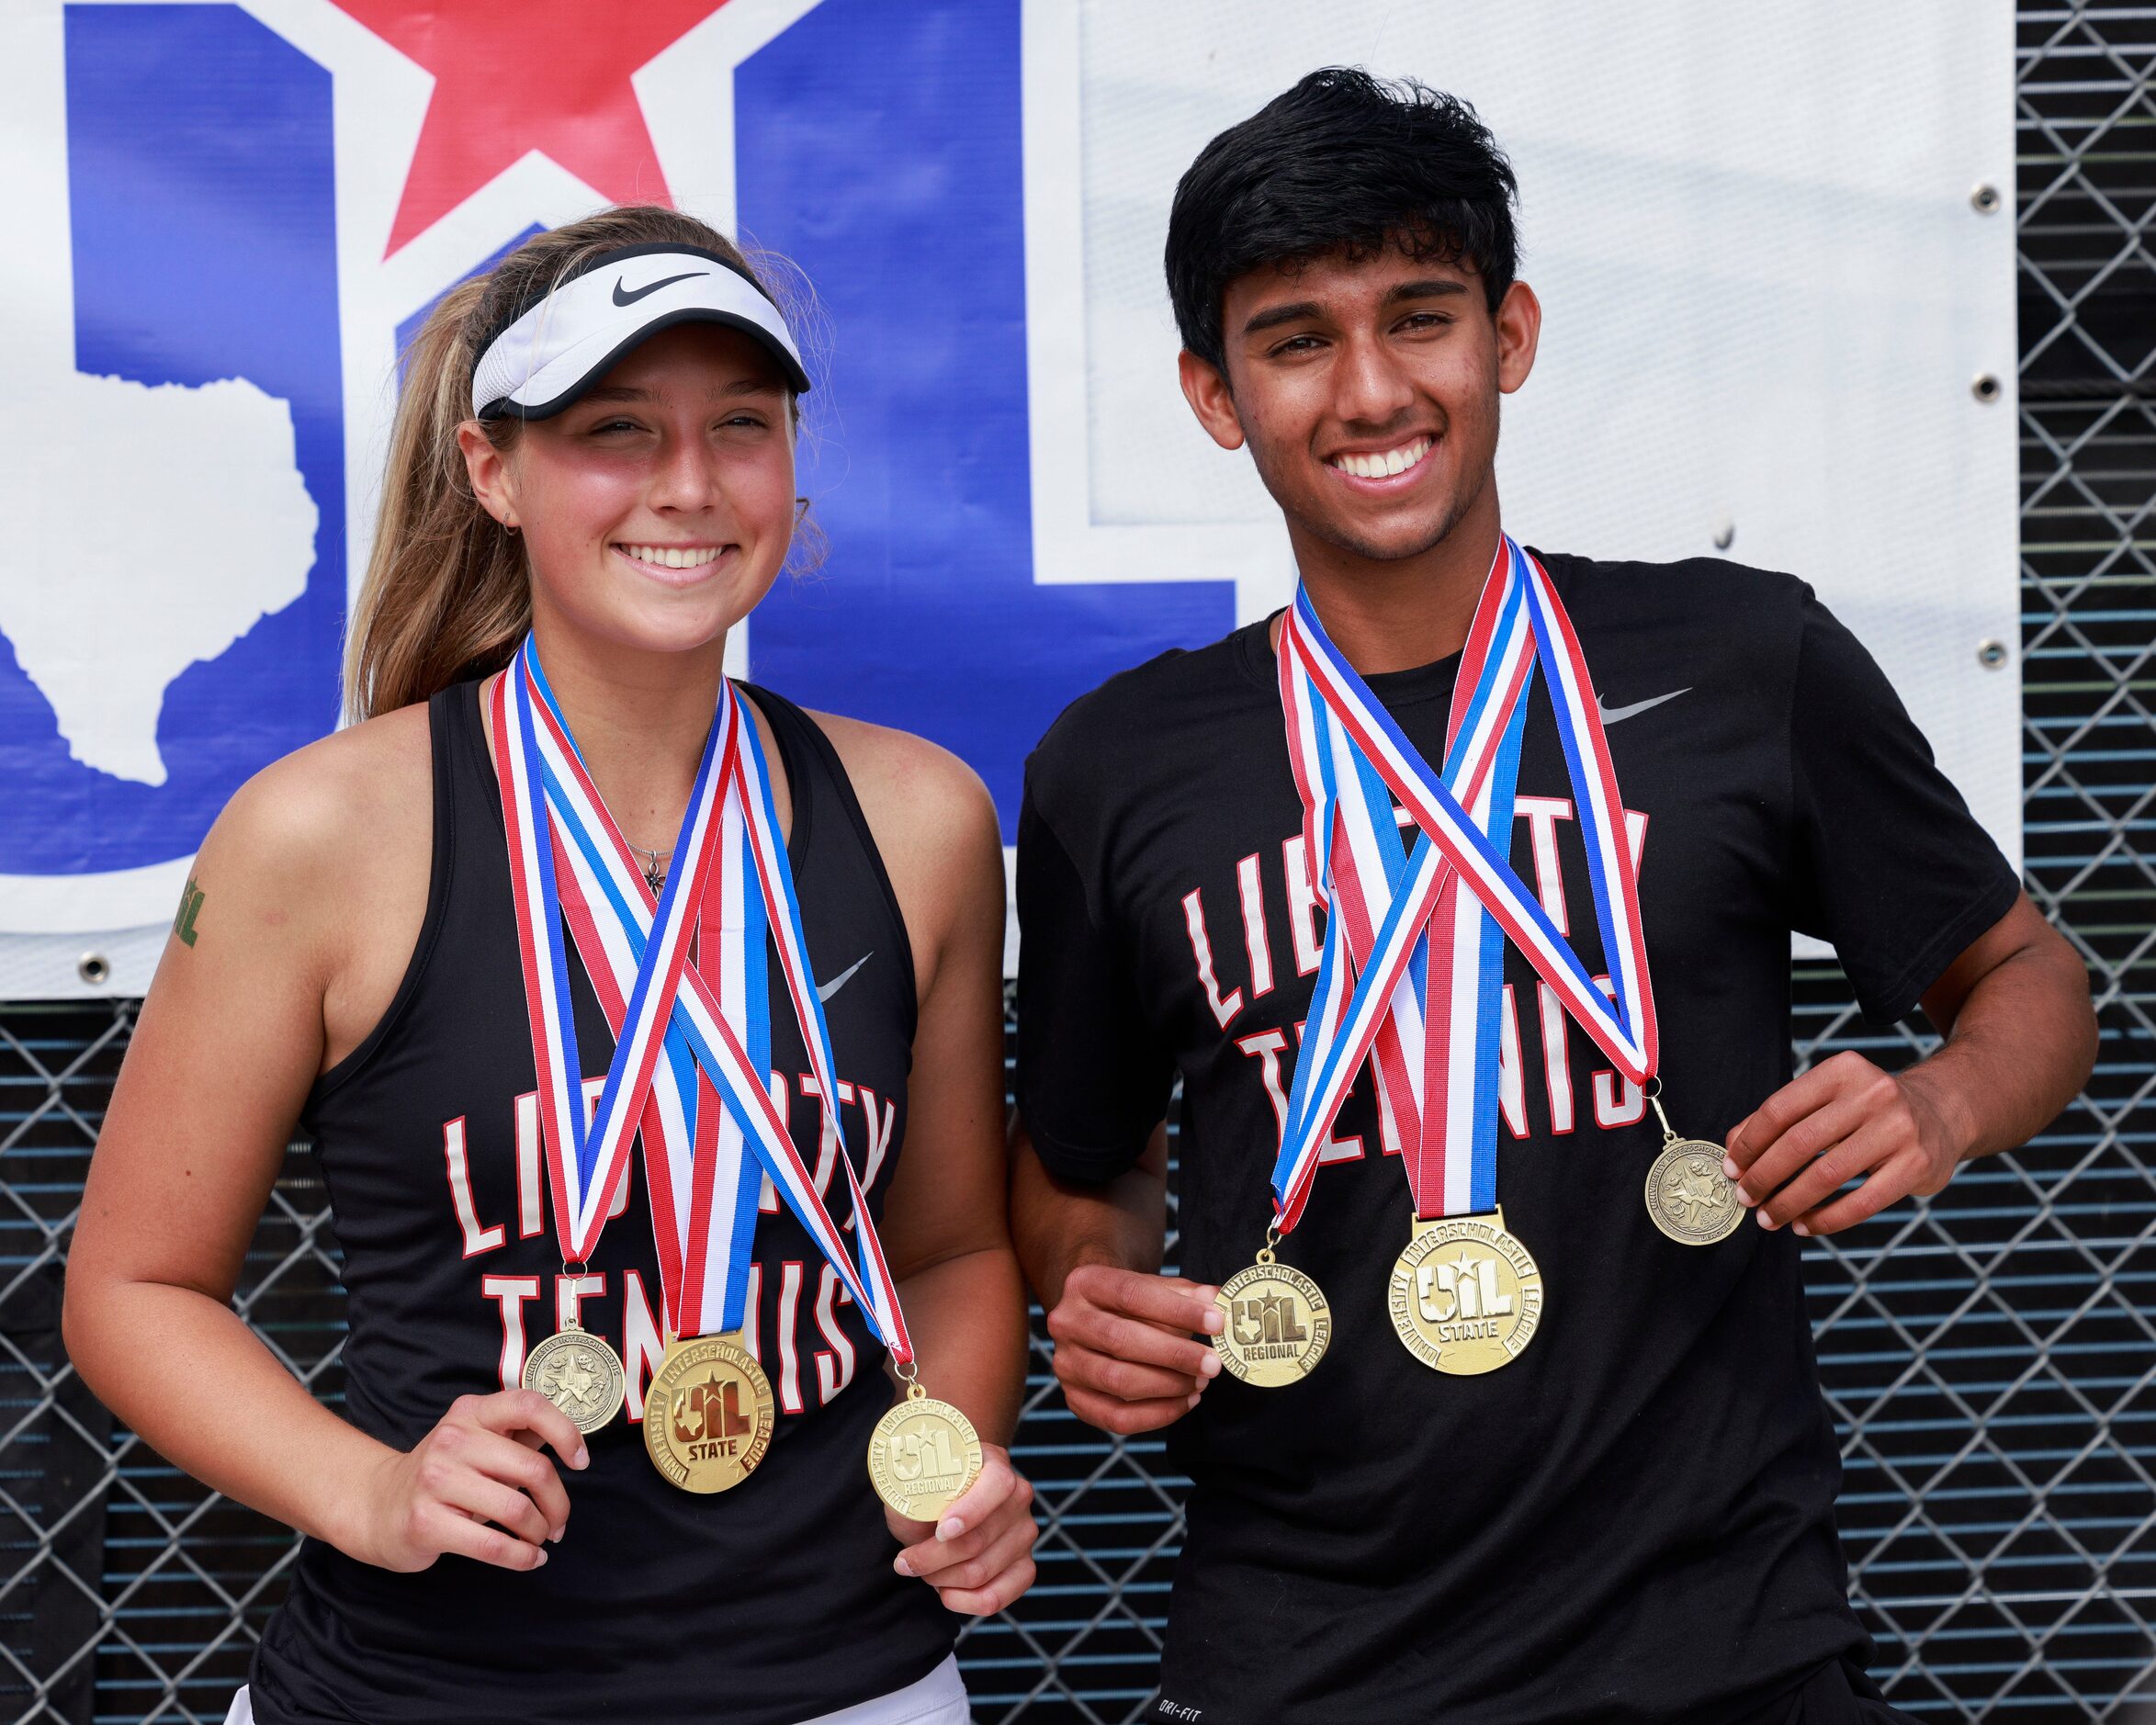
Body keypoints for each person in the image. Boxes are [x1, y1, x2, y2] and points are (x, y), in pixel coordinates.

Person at [1010, 70, 2095, 1725]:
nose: (1371, 389)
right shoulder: (1119, 764)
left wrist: (1942, 1101)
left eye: (1419, 317)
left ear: (1509, 335)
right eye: (1297, 338)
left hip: (1724, 1644)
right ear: (1215, 394)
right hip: (1305, 1658)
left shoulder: (1743, 659)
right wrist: (1096, 1303)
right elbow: (1079, 1175)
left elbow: (2029, 976)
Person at [64, 205, 1035, 1725]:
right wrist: (376, 1492)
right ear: (492, 469)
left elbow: (957, 1253)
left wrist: (956, 1455)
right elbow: (131, 1285)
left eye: (741, 425)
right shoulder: (317, 835)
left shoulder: (921, 818)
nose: (692, 485)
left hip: (850, 1683)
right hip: (426, 1687)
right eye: (616, 431)